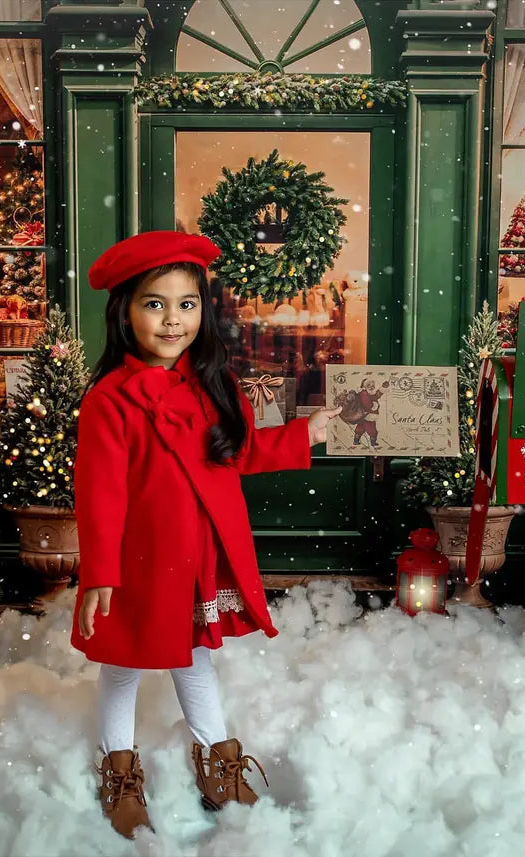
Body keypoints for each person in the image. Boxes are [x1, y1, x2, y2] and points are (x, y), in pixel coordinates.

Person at [73, 231, 342, 840]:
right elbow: (100, 494)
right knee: (122, 664)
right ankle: (119, 770)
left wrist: (307, 434)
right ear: (125, 312)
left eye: (186, 304)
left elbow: (236, 453)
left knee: (195, 656)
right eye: (155, 304)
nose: (173, 320)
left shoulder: (213, 383)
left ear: (204, 309)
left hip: (197, 554)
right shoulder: (109, 402)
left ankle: (217, 762)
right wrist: (101, 574)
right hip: (137, 561)